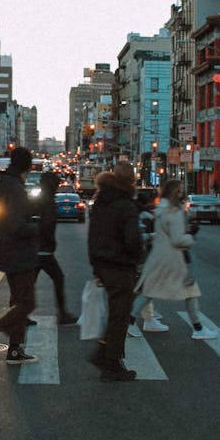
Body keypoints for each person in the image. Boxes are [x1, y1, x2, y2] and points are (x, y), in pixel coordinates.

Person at [0, 147, 41, 364]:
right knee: (27, 304)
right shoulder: (15, 189)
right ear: (28, 166)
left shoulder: (6, 184)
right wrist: (36, 228)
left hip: (9, 250)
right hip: (19, 252)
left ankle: (14, 350)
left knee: (19, 303)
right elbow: (17, 224)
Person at [131, 179, 217, 341]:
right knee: (191, 291)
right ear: (174, 193)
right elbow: (178, 240)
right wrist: (191, 235)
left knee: (149, 290)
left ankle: (129, 321)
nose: (182, 194)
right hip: (175, 258)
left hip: (158, 257)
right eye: (180, 191)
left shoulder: (160, 210)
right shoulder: (175, 212)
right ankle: (198, 328)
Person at [86, 161, 144, 381]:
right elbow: (132, 240)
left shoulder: (100, 200)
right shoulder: (126, 205)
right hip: (120, 265)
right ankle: (110, 362)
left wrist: (95, 265)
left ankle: (105, 354)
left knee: (115, 314)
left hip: (102, 263)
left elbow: (92, 235)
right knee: (120, 315)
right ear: (131, 181)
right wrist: (136, 258)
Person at [34, 171, 77, 325]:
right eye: (56, 185)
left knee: (29, 282)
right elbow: (43, 224)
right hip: (42, 250)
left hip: (41, 249)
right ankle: (62, 313)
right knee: (58, 278)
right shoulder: (45, 201)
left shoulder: (43, 200)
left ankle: (21, 312)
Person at [127, 189, 168, 336]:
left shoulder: (142, 213)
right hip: (144, 257)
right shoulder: (143, 215)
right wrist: (154, 235)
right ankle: (131, 320)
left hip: (144, 256)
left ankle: (149, 318)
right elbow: (140, 236)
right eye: (154, 201)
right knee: (147, 288)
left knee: (144, 288)